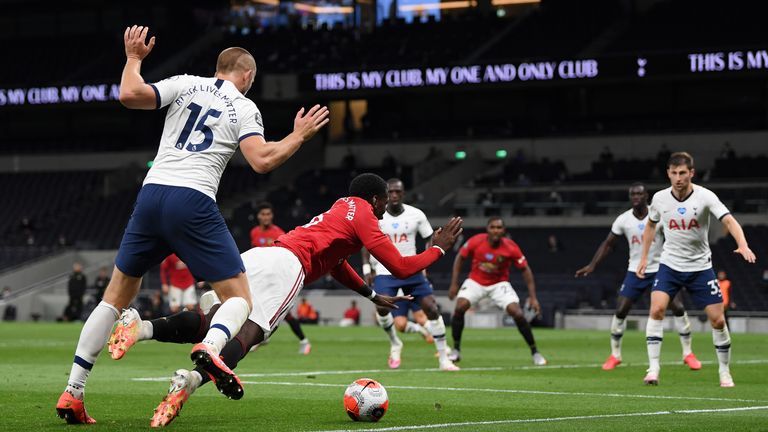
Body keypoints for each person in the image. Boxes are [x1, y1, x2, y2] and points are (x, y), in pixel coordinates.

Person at [56, 25, 329, 425]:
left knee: (114, 298)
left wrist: (133, 58)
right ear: (248, 76)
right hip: (193, 200)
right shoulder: (244, 106)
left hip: (151, 195)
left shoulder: (185, 83)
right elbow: (262, 160)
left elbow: (130, 94)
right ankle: (211, 349)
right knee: (239, 299)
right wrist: (299, 135)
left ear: (218, 68)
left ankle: (73, 391)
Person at [107, 173, 463, 426]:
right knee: (252, 333)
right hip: (288, 267)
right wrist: (438, 250)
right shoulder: (367, 214)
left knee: (212, 318)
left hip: (260, 257)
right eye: (384, 200)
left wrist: (370, 294)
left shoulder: (341, 209)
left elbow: (337, 264)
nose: (386, 207)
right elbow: (400, 266)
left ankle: (147, 334)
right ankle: (204, 365)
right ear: (375, 198)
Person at [637, 152, 756, 387]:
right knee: (657, 310)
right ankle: (653, 368)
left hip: (700, 267)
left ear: (691, 173)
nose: (678, 178)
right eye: (673, 173)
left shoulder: (705, 197)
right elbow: (651, 226)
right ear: (668, 174)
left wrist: (742, 244)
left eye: (683, 173)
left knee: (718, 321)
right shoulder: (660, 199)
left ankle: (724, 371)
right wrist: (644, 257)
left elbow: (729, 220)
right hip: (669, 265)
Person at [575, 183, 701, 371]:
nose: (635, 197)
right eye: (632, 194)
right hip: (635, 271)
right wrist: (592, 265)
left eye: (639, 194)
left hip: (662, 269)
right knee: (620, 310)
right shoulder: (623, 220)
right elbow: (608, 244)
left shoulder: (658, 214)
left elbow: (676, 235)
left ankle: (688, 353)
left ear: (646, 196)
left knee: (678, 307)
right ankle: (615, 355)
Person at [360, 178, 455, 370]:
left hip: (412, 269)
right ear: (386, 195)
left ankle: (444, 358)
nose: (394, 195)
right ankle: (395, 343)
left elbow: (429, 237)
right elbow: (365, 243)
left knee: (432, 308)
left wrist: (427, 262)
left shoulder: (416, 215)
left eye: (398, 192)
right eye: (391, 192)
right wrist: (367, 269)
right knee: (382, 309)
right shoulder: (376, 215)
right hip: (385, 271)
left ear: (403, 194)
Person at [448, 217, 547, 366]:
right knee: (460, 307)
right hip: (476, 281)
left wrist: (533, 297)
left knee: (518, 313)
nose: (496, 230)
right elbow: (460, 258)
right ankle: (456, 349)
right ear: (487, 229)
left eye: (499, 228)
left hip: (499, 284)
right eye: (493, 227)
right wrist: (454, 284)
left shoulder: (511, 247)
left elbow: (525, 270)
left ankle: (535, 352)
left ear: (504, 230)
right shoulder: (476, 241)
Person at [250, 201, 312, 354]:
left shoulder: (278, 233)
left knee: (285, 313)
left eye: (268, 214)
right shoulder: (254, 232)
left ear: (272, 216)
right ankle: (262, 337)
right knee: (256, 307)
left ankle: (304, 341)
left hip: (275, 276)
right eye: (263, 214)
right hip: (261, 275)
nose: (266, 217)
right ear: (258, 216)